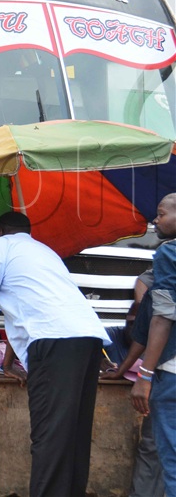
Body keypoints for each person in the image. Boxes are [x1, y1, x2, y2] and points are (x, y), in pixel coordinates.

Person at [0, 211, 110, 497]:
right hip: (87, 337)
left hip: (55, 341)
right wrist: (8, 363)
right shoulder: (43, 251)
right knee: (74, 434)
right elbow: (23, 309)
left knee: (49, 435)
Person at [100, 270, 164, 497]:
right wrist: (124, 370)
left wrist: (143, 376)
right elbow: (145, 331)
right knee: (154, 447)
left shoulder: (168, 257)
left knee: (157, 447)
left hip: (167, 378)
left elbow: (159, 324)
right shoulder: (154, 290)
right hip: (164, 379)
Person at [129, 193, 176, 496]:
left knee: (172, 460)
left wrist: (144, 376)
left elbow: (163, 316)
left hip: (172, 373)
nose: (155, 220)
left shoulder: (169, 253)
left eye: (161, 214)